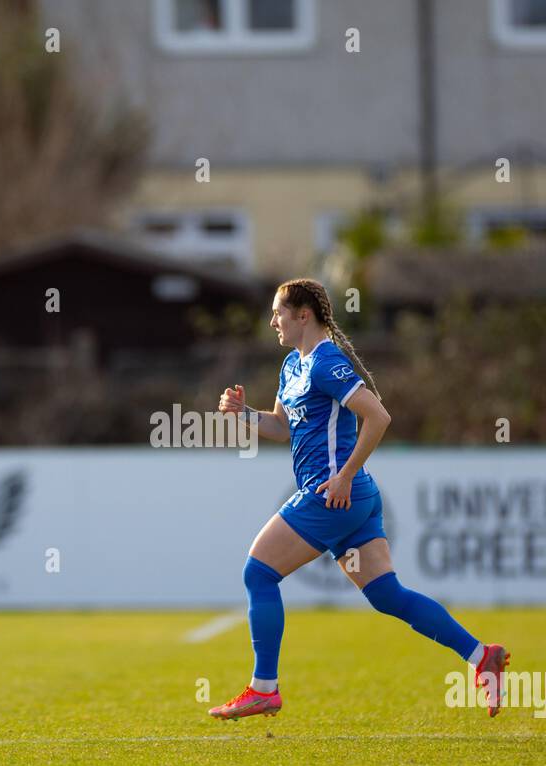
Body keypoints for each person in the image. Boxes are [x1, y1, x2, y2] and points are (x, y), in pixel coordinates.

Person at [209, 278, 509, 720]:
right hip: (354, 498)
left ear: (303, 314)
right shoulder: (293, 365)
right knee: (388, 594)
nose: (273, 320)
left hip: (330, 495)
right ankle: (481, 656)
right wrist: (245, 415)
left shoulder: (326, 363)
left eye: (278, 311)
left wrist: (344, 475)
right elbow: (283, 427)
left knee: (258, 572)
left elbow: (379, 417)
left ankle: (264, 689)